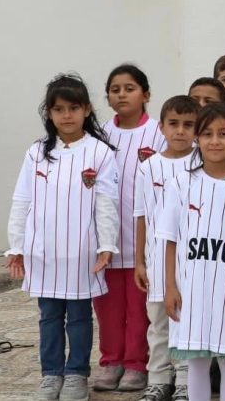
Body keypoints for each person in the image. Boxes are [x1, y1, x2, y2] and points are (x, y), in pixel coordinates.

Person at [5, 74, 120, 401]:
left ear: (86, 110)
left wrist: (106, 245)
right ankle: (51, 373)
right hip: (44, 253)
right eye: (59, 109)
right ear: (49, 113)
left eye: (73, 108)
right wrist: (18, 246)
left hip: (82, 254)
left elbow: (106, 205)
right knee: (49, 317)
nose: (66, 115)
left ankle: (76, 375)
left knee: (80, 318)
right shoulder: (36, 153)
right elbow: (22, 201)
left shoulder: (100, 153)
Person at [159, 103, 225, 401]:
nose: (214, 140)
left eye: (223, 133)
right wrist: (169, 286)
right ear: (197, 137)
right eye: (207, 133)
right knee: (195, 359)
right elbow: (169, 239)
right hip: (191, 286)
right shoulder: (181, 183)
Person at [96, 64, 166, 393]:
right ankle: (111, 361)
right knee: (108, 306)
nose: (122, 94)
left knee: (140, 307)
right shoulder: (98, 135)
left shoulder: (159, 131)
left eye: (129, 88)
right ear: (108, 98)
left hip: (144, 239)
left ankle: (137, 363)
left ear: (146, 94)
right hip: (106, 239)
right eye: (115, 89)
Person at [133, 95, 200, 401]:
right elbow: (142, 216)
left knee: (186, 321)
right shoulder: (149, 167)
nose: (181, 131)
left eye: (189, 125)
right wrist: (139, 262)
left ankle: (186, 381)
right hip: (157, 260)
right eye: (174, 124)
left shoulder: (202, 164)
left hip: (192, 262)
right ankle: (159, 378)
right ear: (161, 127)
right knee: (158, 323)